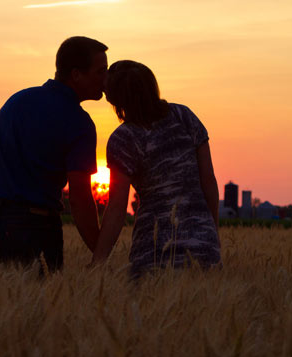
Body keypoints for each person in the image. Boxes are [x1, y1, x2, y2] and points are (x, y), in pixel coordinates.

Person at [0, 36, 107, 271]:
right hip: (31, 226)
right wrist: (101, 255)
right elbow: (79, 199)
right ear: (76, 74)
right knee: (39, 305)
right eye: (101, 71)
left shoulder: (17, 101)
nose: (106, 79)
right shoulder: (79, 122)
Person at [91, 60, 221, 278]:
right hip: (203, 246)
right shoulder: (184, 116)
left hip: (153, 252)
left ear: (117, 98)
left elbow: (116, 207)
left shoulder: (123, 138)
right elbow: (208, 181)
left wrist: (98, 260)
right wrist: (210, 231)